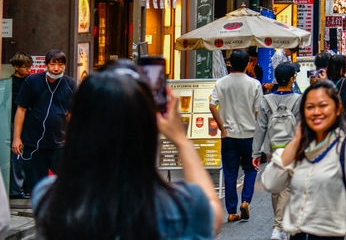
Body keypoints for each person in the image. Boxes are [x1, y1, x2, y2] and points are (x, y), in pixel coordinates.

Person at [32, 61, 222, 239]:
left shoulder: (48, 197)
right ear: (146, 130)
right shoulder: (180, 208)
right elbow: (212, 210)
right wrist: (181, 140)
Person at [260, 80, 346, 240]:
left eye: (323, 105)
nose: (316, 112)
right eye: (310, 107)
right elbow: (271, 183)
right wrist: (296, 139)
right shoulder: (300, 148)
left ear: (338, 109)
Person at [13, 49, 77, 196]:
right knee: (37, 186)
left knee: (66, 183)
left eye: (60, 65)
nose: (56, 68)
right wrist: (17, 138)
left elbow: (72, 114)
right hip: (34, 143)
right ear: (46, 65)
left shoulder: (70, 83)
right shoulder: (32, 81)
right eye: (53, 64)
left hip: (59, 143)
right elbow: (21, 109)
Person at [209, 48, 262, 222]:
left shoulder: (221, 83)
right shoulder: (254, 84)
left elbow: (212, 105)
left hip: (228, 135)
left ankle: (231, 211)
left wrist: (222, 128)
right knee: (251, 168)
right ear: (248, 64)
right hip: (249, 134)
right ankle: (245, 201)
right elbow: (258, 112)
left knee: (230, 173)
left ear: (230, 64)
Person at [252, 62, 301, 240]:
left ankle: (278, 225)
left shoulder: (266, 100)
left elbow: (260, 128)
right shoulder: (298, 99)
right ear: (291, 79)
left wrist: (255, 153)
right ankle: (278, 226)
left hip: (272, 148)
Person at [8, 52, 31, 198]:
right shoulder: (11, 83)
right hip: (15, 121)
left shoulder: (31, 80)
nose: (28, 70)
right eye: (25, 67)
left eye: (30, 67)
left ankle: (26, 186)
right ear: (16, 67)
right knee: (17, 156)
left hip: (30, 122)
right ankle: (16, 190)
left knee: (29, 155)